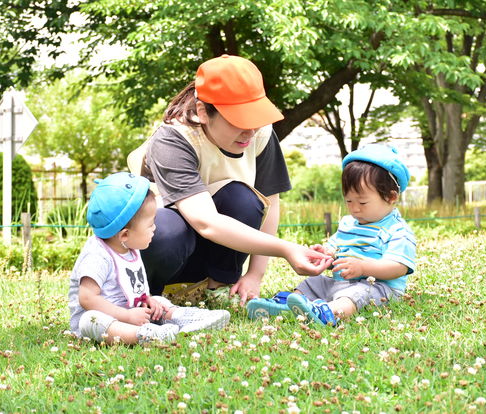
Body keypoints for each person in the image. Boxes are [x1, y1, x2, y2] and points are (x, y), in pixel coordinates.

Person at [128, 54, 328, 305]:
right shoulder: (173, 139)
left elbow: (271, 203)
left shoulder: (260, 133)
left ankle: (217, 288)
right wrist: (287, 249)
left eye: (254, 118)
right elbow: (205, 222)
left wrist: (255, 274)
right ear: (203, 111)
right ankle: (151, 296)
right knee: (166, 229)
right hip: (166, 246)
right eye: (238, 120)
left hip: (214, 244)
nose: (250, 130)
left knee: (243, 198)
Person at [246, 144, 416, 326]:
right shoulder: (348, 223)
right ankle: (288, 305)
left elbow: (398, 267)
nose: (354, 208)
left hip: (379, 288)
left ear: (391, 197)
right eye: (349, 201)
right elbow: (337, 247)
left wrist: (364, 268)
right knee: (314, 282)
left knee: (358, 293)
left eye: (363, 202)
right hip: (340, 283)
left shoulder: (398, 231)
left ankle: (329, 313)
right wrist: (327, 253)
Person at [68, 172, 230, 345]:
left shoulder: (129, 247)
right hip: (106, 319)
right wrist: (127, 316)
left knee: (158, 301)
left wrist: (146, 299)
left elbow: (133, 287)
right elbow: (87, 299)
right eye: (150, 224)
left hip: (131, 312)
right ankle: (143, 336)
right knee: (91, 320)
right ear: (124, 235)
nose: (155, 228)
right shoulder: (98, 256)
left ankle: (186, 318)